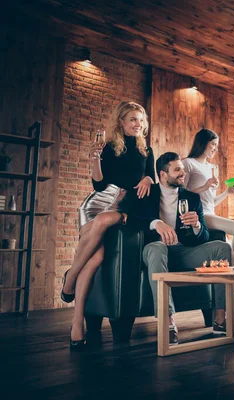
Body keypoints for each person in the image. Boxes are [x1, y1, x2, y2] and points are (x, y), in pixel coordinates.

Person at [62, 101, 155, 349]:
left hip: (122, 206)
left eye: (141, 120)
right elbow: (99, 186)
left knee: (98, 246)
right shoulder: (109, 147)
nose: (138, 124)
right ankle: (76, 323)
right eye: (133, 119)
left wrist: (147, 176)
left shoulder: (147, 150)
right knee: (96, 257)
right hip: (97, 203)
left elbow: (152, 178)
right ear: (122, 122)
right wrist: (95, 160)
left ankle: (70, 278)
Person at [133, 152, 234, 344]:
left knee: (222, 247)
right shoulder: (147, 193)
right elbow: (133, 219)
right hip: (155, 250)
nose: (182, 173)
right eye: (177, 169)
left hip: (183, 251)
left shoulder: (192, 198)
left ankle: (220, 320)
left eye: (183, 169)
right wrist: (156, 223)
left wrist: (197, 226)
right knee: (158, 248)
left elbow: (202, 237)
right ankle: (168, 323)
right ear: (163, 174)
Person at [182, 128, 234, 320]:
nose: (215, 148)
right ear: (203, 143)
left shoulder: (211, 167)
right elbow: (183, 196)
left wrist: (227, 193)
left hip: (209, 212)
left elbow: (211, 202)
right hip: (198, 216)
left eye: (216, 145)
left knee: (233, 254)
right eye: (212, 144)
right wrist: (205, 186)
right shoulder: (187, 163)